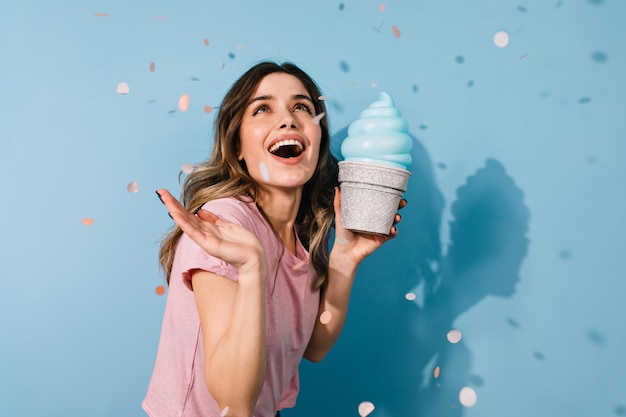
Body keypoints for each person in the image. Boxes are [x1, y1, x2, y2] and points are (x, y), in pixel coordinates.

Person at [142, 61, 406, 417]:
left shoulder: (303, 233)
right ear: (236, 145)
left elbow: (314, 346)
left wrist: (344, 258)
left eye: (302, 107)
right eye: (263, 108)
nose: (288, 119)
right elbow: (233, 405)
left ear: (318, 140)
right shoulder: (225, 224)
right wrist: (252, 269)